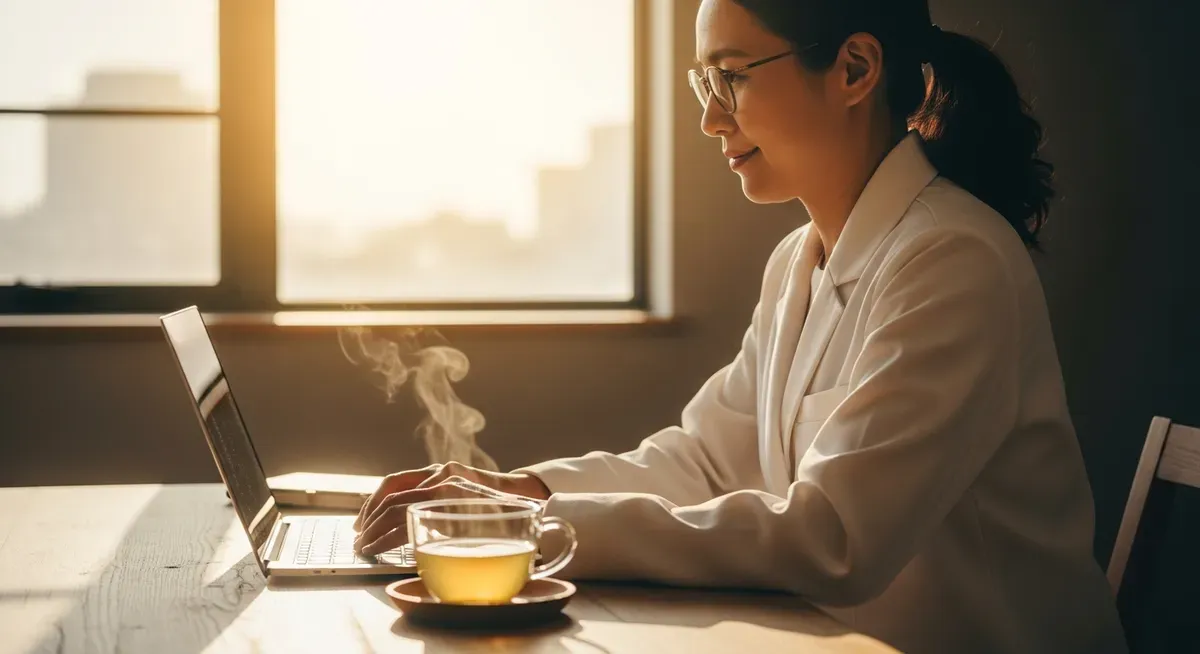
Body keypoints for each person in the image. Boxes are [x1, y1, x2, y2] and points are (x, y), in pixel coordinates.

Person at [354, 0, 1127, 651]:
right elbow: (703, 461)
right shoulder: (800, 259)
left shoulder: (953, 260)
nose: (707, 117)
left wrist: (531, 527)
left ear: (856, 70)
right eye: (702, 80)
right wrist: (524, 492)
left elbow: (833, 538)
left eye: (730, 77)